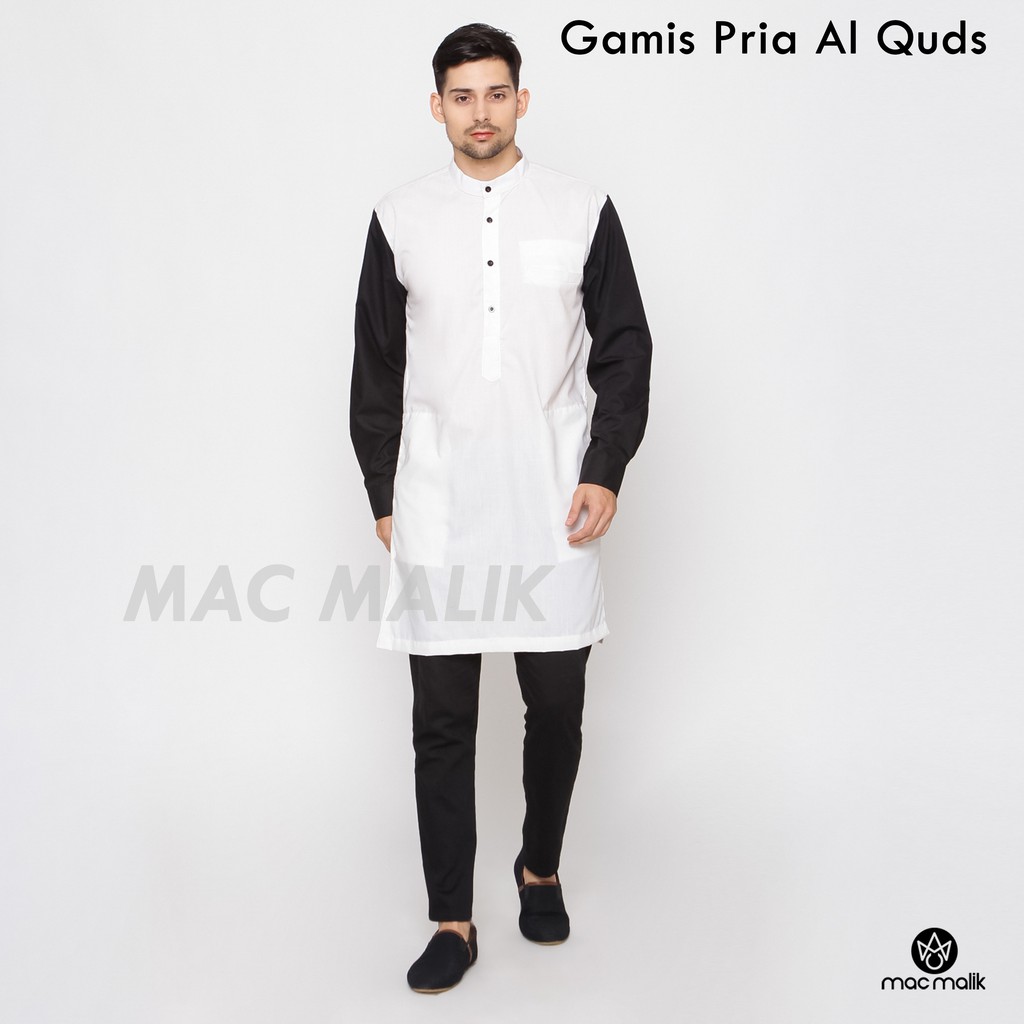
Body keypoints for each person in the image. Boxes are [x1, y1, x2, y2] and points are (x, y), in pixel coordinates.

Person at [349, 22, 653, 994]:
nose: (479, 112)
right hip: (438, 502)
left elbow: (624, 347)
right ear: (436, 106)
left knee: (555, 705)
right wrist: (383, 489)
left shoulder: (580, 207)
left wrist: (605, 467)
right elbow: (375, 369)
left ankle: (540, 867)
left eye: (494, 93)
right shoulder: (400, 218)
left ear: (523, 99)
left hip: (553, 500)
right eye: (461, 95)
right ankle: (452, 916)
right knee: (440, 721)